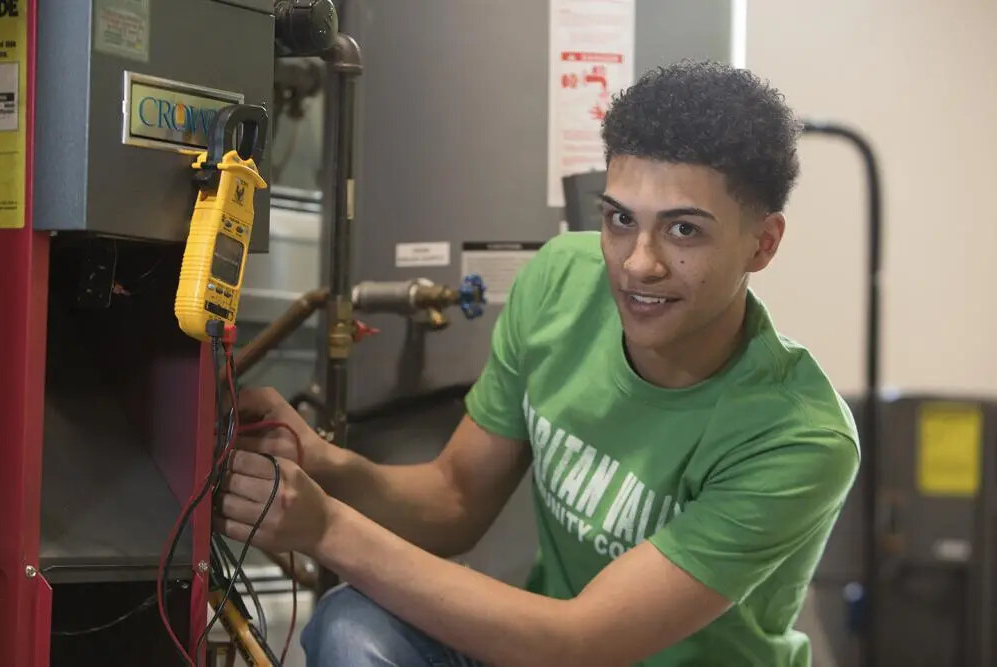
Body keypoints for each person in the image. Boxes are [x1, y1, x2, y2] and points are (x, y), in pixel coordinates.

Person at [215, 60, 860, 666]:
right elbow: (455, 498)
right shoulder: (561, 283)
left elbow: (579, 641)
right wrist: (324, 465)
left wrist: (326, 526)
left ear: (763, 243)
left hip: (571, 645)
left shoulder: (798, 437)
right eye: (620, 220)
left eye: (684, 230)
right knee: (354, 624)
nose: (639, 262)